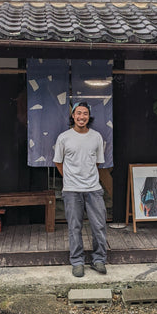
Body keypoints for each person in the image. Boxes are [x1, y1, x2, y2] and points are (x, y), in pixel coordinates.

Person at [53, 101, 108, 277]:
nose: (81, 117)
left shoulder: (96, 137)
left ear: (88, 116)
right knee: (74, 226)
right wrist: (69, 178)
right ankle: (77, 261)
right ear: (73, 116)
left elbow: (98, 162)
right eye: (78, 113)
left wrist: (87, 176)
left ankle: (99, 259)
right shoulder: (64, 137)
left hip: (93, 188)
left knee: (98, 225)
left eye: (85, 113)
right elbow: (58, 162)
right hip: (71, 190)